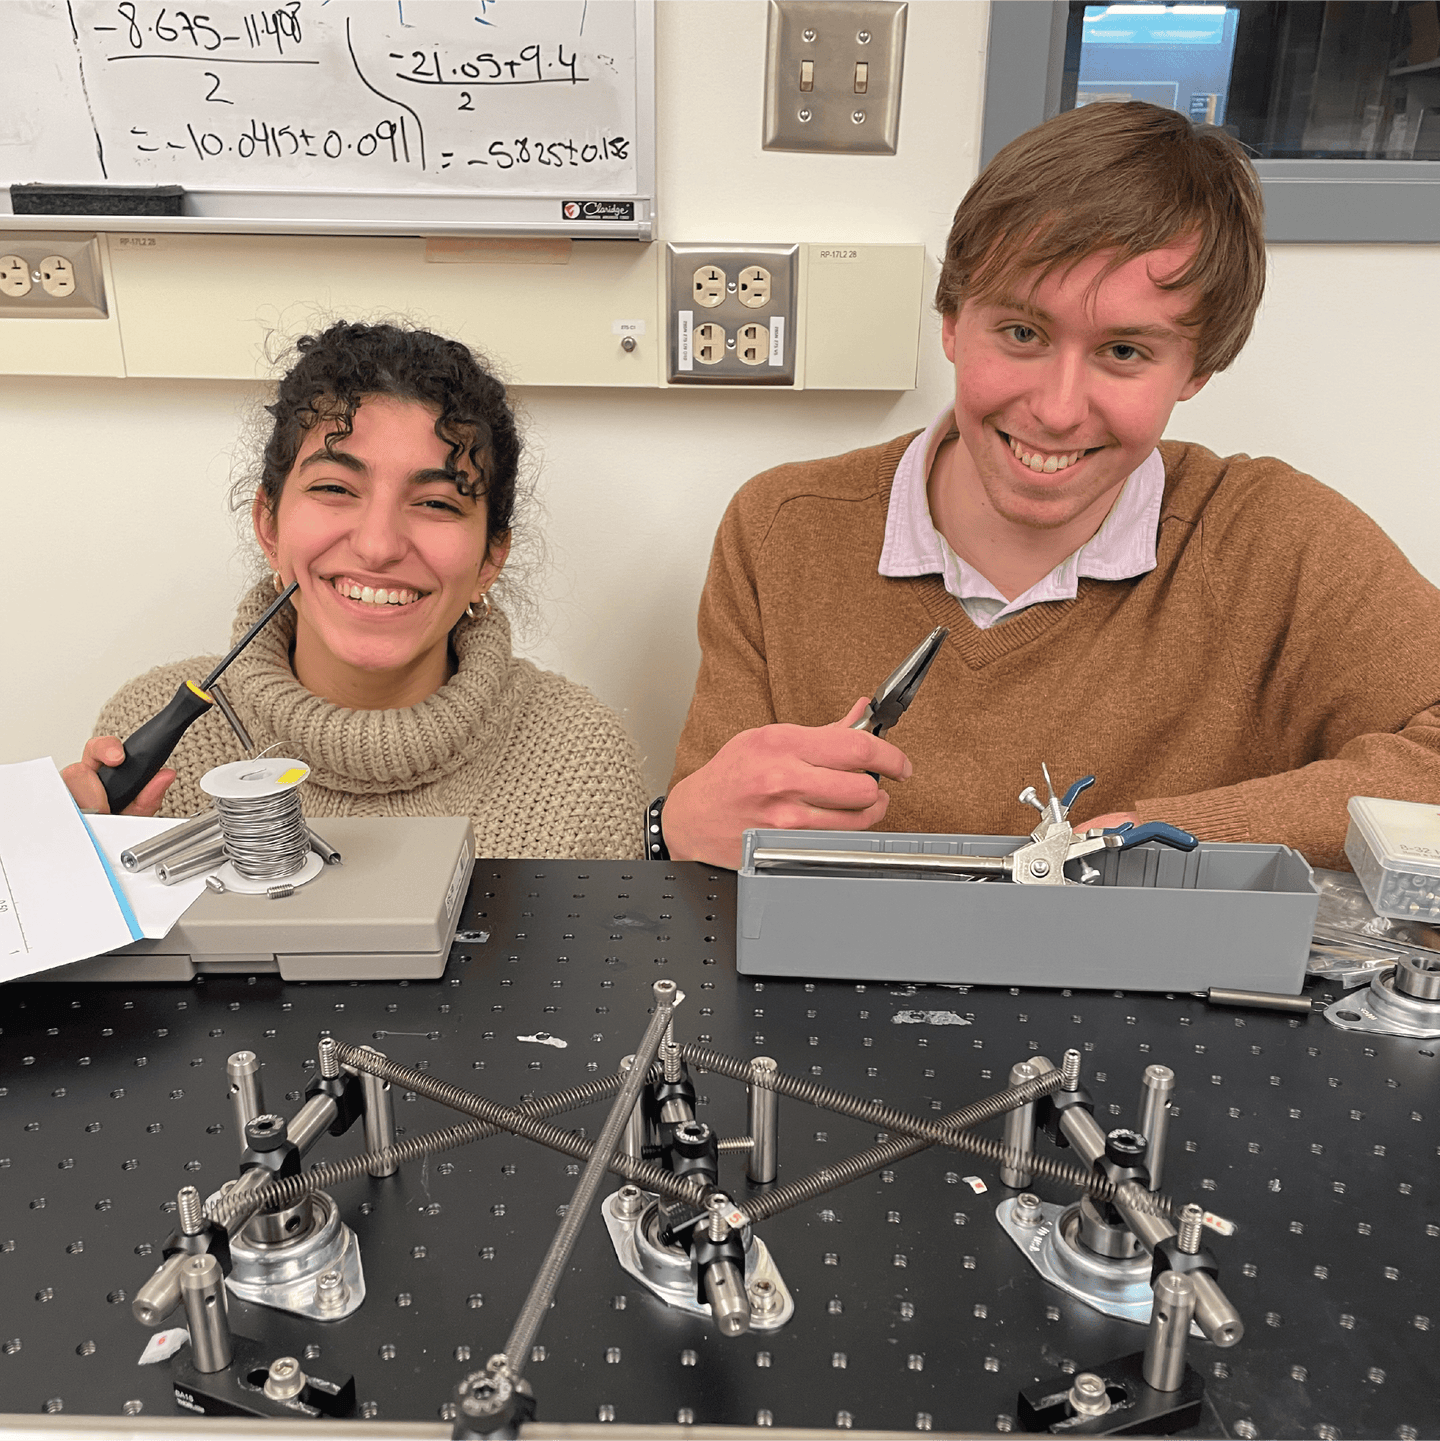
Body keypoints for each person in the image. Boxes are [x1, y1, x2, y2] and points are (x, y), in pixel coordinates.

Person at [657, 101, 1440, 872]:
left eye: (1125, 351)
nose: (1057, 410)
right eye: (1023, 333)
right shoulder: (781, 530)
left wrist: (1162, 838)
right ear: (953, 322)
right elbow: (707, 863)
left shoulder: (1279, 541)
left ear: (1198, 371)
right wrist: (676, 825)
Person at [63, 320, 646, 860]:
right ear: (269, 525)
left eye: (437, 502)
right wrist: (71, 882)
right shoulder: (148, 730)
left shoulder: (580, 755)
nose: (378, 545)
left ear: (491, 557)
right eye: (337, 489)